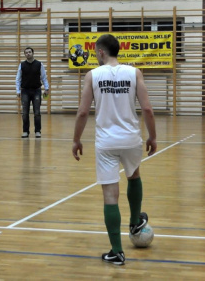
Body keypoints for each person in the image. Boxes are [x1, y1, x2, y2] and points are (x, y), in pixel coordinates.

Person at [72, 34, 157, 265]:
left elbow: (82, 112)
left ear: (101, 52)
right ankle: (134, 221)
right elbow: (147, 109)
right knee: (134, 175)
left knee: (110, 195)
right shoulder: (134, 72)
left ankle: (117, 252)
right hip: (131, 139)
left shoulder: (93, 75)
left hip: (106, 143)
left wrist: (76, 140)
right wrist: (153, 136)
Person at [16, 47, 50, 138]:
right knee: (25, 113)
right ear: (25, 55)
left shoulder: (39, 64)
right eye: (26, 53)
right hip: (25, 91)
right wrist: (18, 90)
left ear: (33, 53)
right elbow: (18, 79)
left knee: (37, 112)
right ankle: (25, 131)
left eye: (29, 52)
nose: (28, 54)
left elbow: (44, 78)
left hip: (36, 91)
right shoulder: (22, 65)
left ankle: (37, 131)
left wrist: (47, 88)